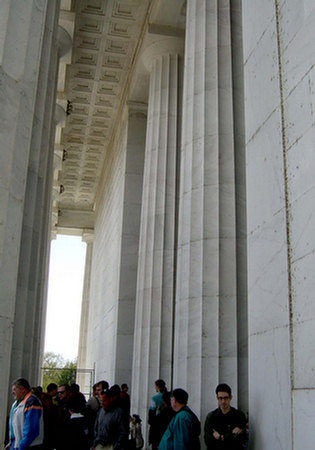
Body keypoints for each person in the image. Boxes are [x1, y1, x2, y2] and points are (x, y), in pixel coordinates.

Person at [204, 384, 248, 450]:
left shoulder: (239, 415)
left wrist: (221, 437)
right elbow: (208, 441)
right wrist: (231, 436)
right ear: (217, 398)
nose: (223, 401)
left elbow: (242, 439)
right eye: (220, 398)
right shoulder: (211, 417)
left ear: (230, 398)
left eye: (225, 398)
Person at [7, 378, 43, 450]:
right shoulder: (17, 403)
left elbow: (31, 429)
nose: (12, 392)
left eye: (14, 389)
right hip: (17, 444)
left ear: (23, 389)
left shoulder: (32, 402)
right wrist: (12, 443)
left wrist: (21, 446)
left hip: (28, 445)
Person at [93, 385, 129, 450]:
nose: (102, 403)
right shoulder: (101, 411)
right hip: (99, 444)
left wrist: (116, 446)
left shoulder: (119, 412)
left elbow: (123, 432)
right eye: (101, 401)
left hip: (111, 445)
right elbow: (96, 428)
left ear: (111, 399)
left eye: (104, 401)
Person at [148, 379, 167, 450]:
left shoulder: (154, 398)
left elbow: (151, 413)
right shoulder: (167, 396)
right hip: (165, 425)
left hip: (156, 426)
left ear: (158, 387)